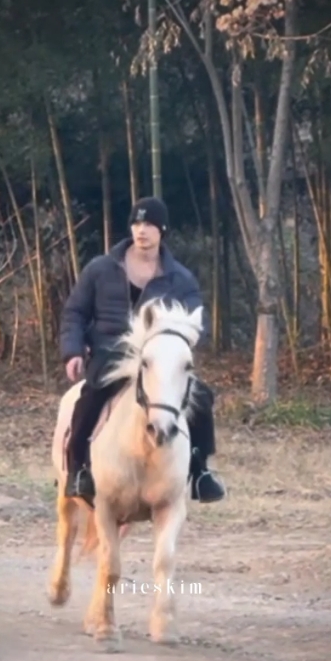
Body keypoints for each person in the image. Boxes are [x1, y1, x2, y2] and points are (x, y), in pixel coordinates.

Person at [59, 195, 226, 504]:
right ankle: (78, 470)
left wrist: (175, 350)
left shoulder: (180, 279)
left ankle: (201, 472)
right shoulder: (100, 269)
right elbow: (75, 313)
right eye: (136, 222)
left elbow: (194, 324)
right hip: (110, 355)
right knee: (89, 401)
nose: (141, 230)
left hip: (158, 360)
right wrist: (73, 351)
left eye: (149, 223)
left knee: (201, 398)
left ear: (162, 230)